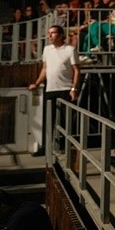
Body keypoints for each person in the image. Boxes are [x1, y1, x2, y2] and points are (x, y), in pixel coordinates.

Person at [27, 25, 80, 157]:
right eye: (49, 33)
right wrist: (37, 83)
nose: (50, 36)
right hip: (50, 88)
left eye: (53, 33)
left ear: (61, 35)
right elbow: (45, 68)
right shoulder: (47, 49)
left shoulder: (70, 50)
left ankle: (66, 147)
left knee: (65, 119)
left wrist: (74, 88)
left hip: (65, 88)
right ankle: (46, 146)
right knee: (48, 118)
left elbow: (77, 70)